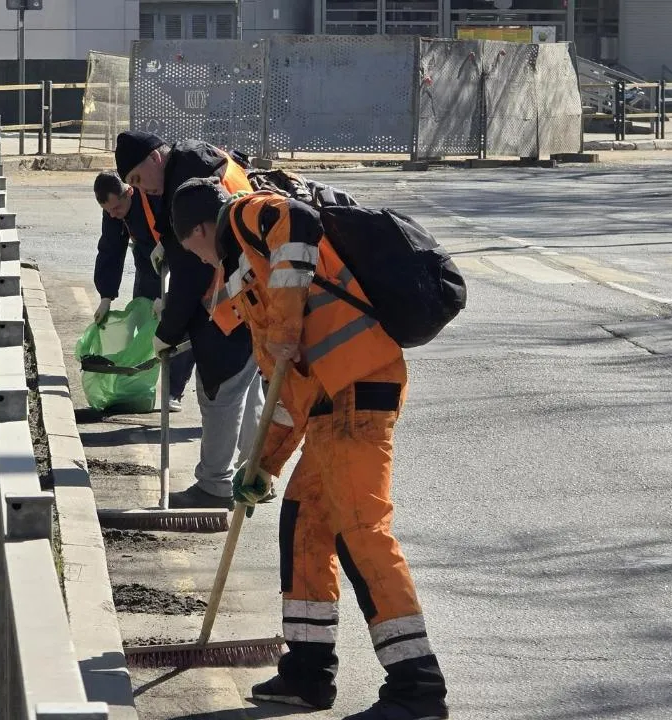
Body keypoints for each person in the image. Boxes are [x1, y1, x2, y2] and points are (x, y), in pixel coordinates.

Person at [168, 177, 450, 720]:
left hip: (357, 389)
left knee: (360, 530)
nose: (199, 260)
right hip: (328, 402)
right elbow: (287, 391)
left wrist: (287, 321)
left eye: (191, 248)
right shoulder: (247, 276)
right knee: (301, 525)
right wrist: (263, 464)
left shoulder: (246, 217)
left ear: (199, 230)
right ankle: (307, 672)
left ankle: (417, 685)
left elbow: (296, 219)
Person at [113, 130, 262, 510]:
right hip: (255, 291)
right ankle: (258, 470)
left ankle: (215, 485)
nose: (139, 189)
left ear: (154, 159)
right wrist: (168, 243)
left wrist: (168, 331)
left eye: (135, 179)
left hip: (231, 301)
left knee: (220, 392)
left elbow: (192, 270)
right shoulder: (193, 162)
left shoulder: (187, 186)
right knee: (246, 386)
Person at [91, 170, 194, 410]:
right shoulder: (113, 212)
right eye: (108, 211)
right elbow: (110, 249)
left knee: (178, 325)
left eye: (117, 208)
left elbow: (181, 239)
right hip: (148, 264)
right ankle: (140, 383)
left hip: (179, 260)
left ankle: (173, 390)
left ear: (129, 192)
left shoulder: (153, 196)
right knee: (146, 324)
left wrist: (167, 294)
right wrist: (106, 296)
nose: (113, 215)